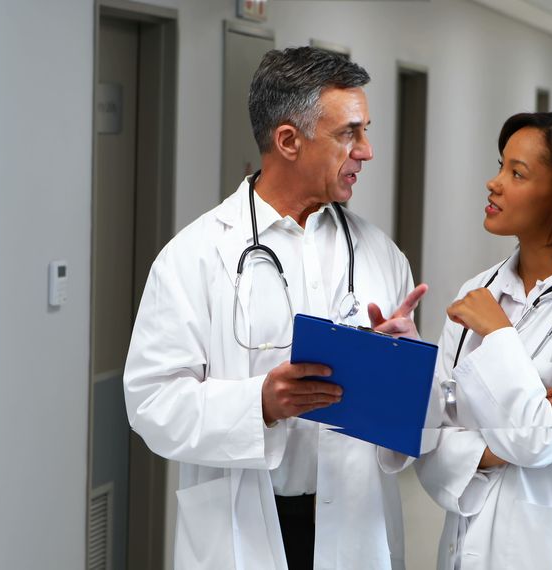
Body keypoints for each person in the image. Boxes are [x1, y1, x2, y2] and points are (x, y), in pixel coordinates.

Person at [123, 47, 426, 569]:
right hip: (243, 525)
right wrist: (259, 404)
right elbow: (152, 405)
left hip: (353, 522)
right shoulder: (195, 256)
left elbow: (409, 425)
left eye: (365, 130)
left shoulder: (380, 255)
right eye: (348, 133)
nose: (367, 151)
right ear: (288, 140)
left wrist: (404, 367)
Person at [408, 112, 552, 569]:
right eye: (501, 166)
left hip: (549, 551)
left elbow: (539, 443)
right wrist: (500, 447)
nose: (493, 184)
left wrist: (497, 336)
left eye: (517, 173)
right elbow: (429, 434)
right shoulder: (477, 292)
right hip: (464, 541)